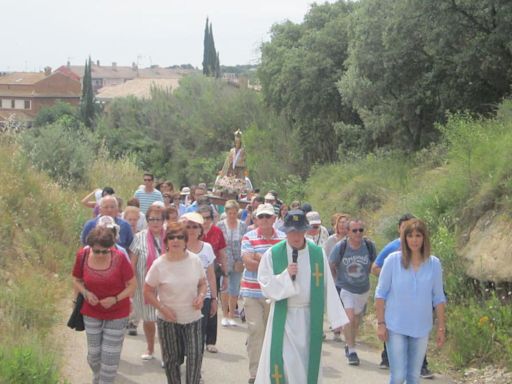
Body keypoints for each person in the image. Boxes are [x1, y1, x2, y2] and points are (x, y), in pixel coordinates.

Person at [255, 209, 349, 384]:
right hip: (282, 319)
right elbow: (265, 285)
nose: (296, 236)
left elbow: (328, 285)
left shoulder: (317, 254)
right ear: (286, 232)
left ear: (306, 230)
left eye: (299, 231)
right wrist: (285, 276)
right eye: (291, 232)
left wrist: (337, 318)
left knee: (305, 365)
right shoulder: (273, 254)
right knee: (283, 363)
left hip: (308, 318)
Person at [375, 219, 447, 384]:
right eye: (410, 236)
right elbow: (380, 294)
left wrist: (441, 327)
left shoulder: (434, 264)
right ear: (404, 238)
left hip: (421, 327)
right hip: (396, 326)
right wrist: (381, 323)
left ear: (424, 238)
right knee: (398, 376)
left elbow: (438, 297)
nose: (414, 240)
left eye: (418, 236)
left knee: (414, 377)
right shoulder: (393, 260)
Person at [143, 222, 207, 384]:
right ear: (166, 242)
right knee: (172, 361)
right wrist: (163, 309)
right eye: (171, 237)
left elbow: (202, 283)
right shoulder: (159, 264)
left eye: (180, 237)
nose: (176, 240)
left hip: (192, 318)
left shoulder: (195, 260)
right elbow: (147, 291)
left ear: (186, 241)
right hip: (168, 320)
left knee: (195, 357)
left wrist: (201, 296)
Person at [72, 227, 136, 384]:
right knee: (94, 355)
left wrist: (115, 299)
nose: (100, 254)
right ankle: (97, 378)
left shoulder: (120, 258)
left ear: (111, 248)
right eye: (97, 251)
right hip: (91, 311)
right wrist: (86, 293)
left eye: (105, 251)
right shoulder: (83, 255)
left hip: (117, 313)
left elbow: (132, 285)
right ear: (90, 247)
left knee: (109, 356)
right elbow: (75, 279)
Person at [240, 203, 286, 384]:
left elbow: (285, 265)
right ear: (256, 219)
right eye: (261, 217)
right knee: (256, 329)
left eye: (268, 217)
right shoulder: (248, 237)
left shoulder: (283, 238)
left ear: (274, 219)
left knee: (270, 332)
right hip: (252, 291)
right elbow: (248, 263)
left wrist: (260, 258)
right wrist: (271, 263)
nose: (265, 220)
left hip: (274, 294)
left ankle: (269, 370)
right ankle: (255, 373)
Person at [328, 218, 377, 366]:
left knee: (356, 321)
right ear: (348, 232)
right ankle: (352, 350)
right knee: (349, 319)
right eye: (354, 230)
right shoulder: (341, 246)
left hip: (363, 289)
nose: (358, 233)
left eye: (360, 230)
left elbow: (374, 263)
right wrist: (337, 280)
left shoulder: (369, 246)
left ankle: (348, 343)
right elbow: (331, 264)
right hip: (346, 288)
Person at [129, 205, 166, 360]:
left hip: (167, 287)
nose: (155, 222)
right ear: (147, 220)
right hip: (145, 287)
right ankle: (150, 348)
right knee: (149, 319)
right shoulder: (139, 237)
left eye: (158, 219)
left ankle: (167, 353)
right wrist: (130, 285)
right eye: (151, 219)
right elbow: (132, 262)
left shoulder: (172, 236)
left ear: (163, 220)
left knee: (166, 321)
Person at [182, 212, 218, 351]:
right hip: (182, 296)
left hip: (204, 297)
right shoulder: (178, 246)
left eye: (195, 227)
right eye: (188, 227)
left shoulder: (207, 248)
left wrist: (214, 299)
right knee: (182, 332)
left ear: (200, 230)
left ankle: (195, 366)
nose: (191, 230)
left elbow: (211, 275)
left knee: (198, 334)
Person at [198, 204, 228, 353]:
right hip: (195, 273)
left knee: (211, 303)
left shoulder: (217, 232)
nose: (205, 221)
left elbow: (222, 253)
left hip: (212, 271)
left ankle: (210, 340)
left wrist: (226, 274)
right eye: (202, 218)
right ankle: (197, 337)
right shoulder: (193, 231)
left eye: (208, 218)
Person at [217, 200, 248, 326]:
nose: (232, 216)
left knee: (234, 289)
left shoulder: (242, 225)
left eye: (235, 213)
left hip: (238, 261)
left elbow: (246, 243)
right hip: (224, 260)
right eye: (230, 213)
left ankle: (231, 316)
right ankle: (224, 314)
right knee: (224, 288)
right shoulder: (220, 225)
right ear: (226, 213)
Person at [323, 213, 350, 341]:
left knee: (347, 304)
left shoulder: (353, 240)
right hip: (335, 278)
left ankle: (347, 328)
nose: (343, 225)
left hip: (350, 278)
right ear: (336, 225)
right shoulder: (331, 240)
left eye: (346, 222)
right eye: (341, 222)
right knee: (337, 301)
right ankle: (337, 329)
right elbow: (326, 258)